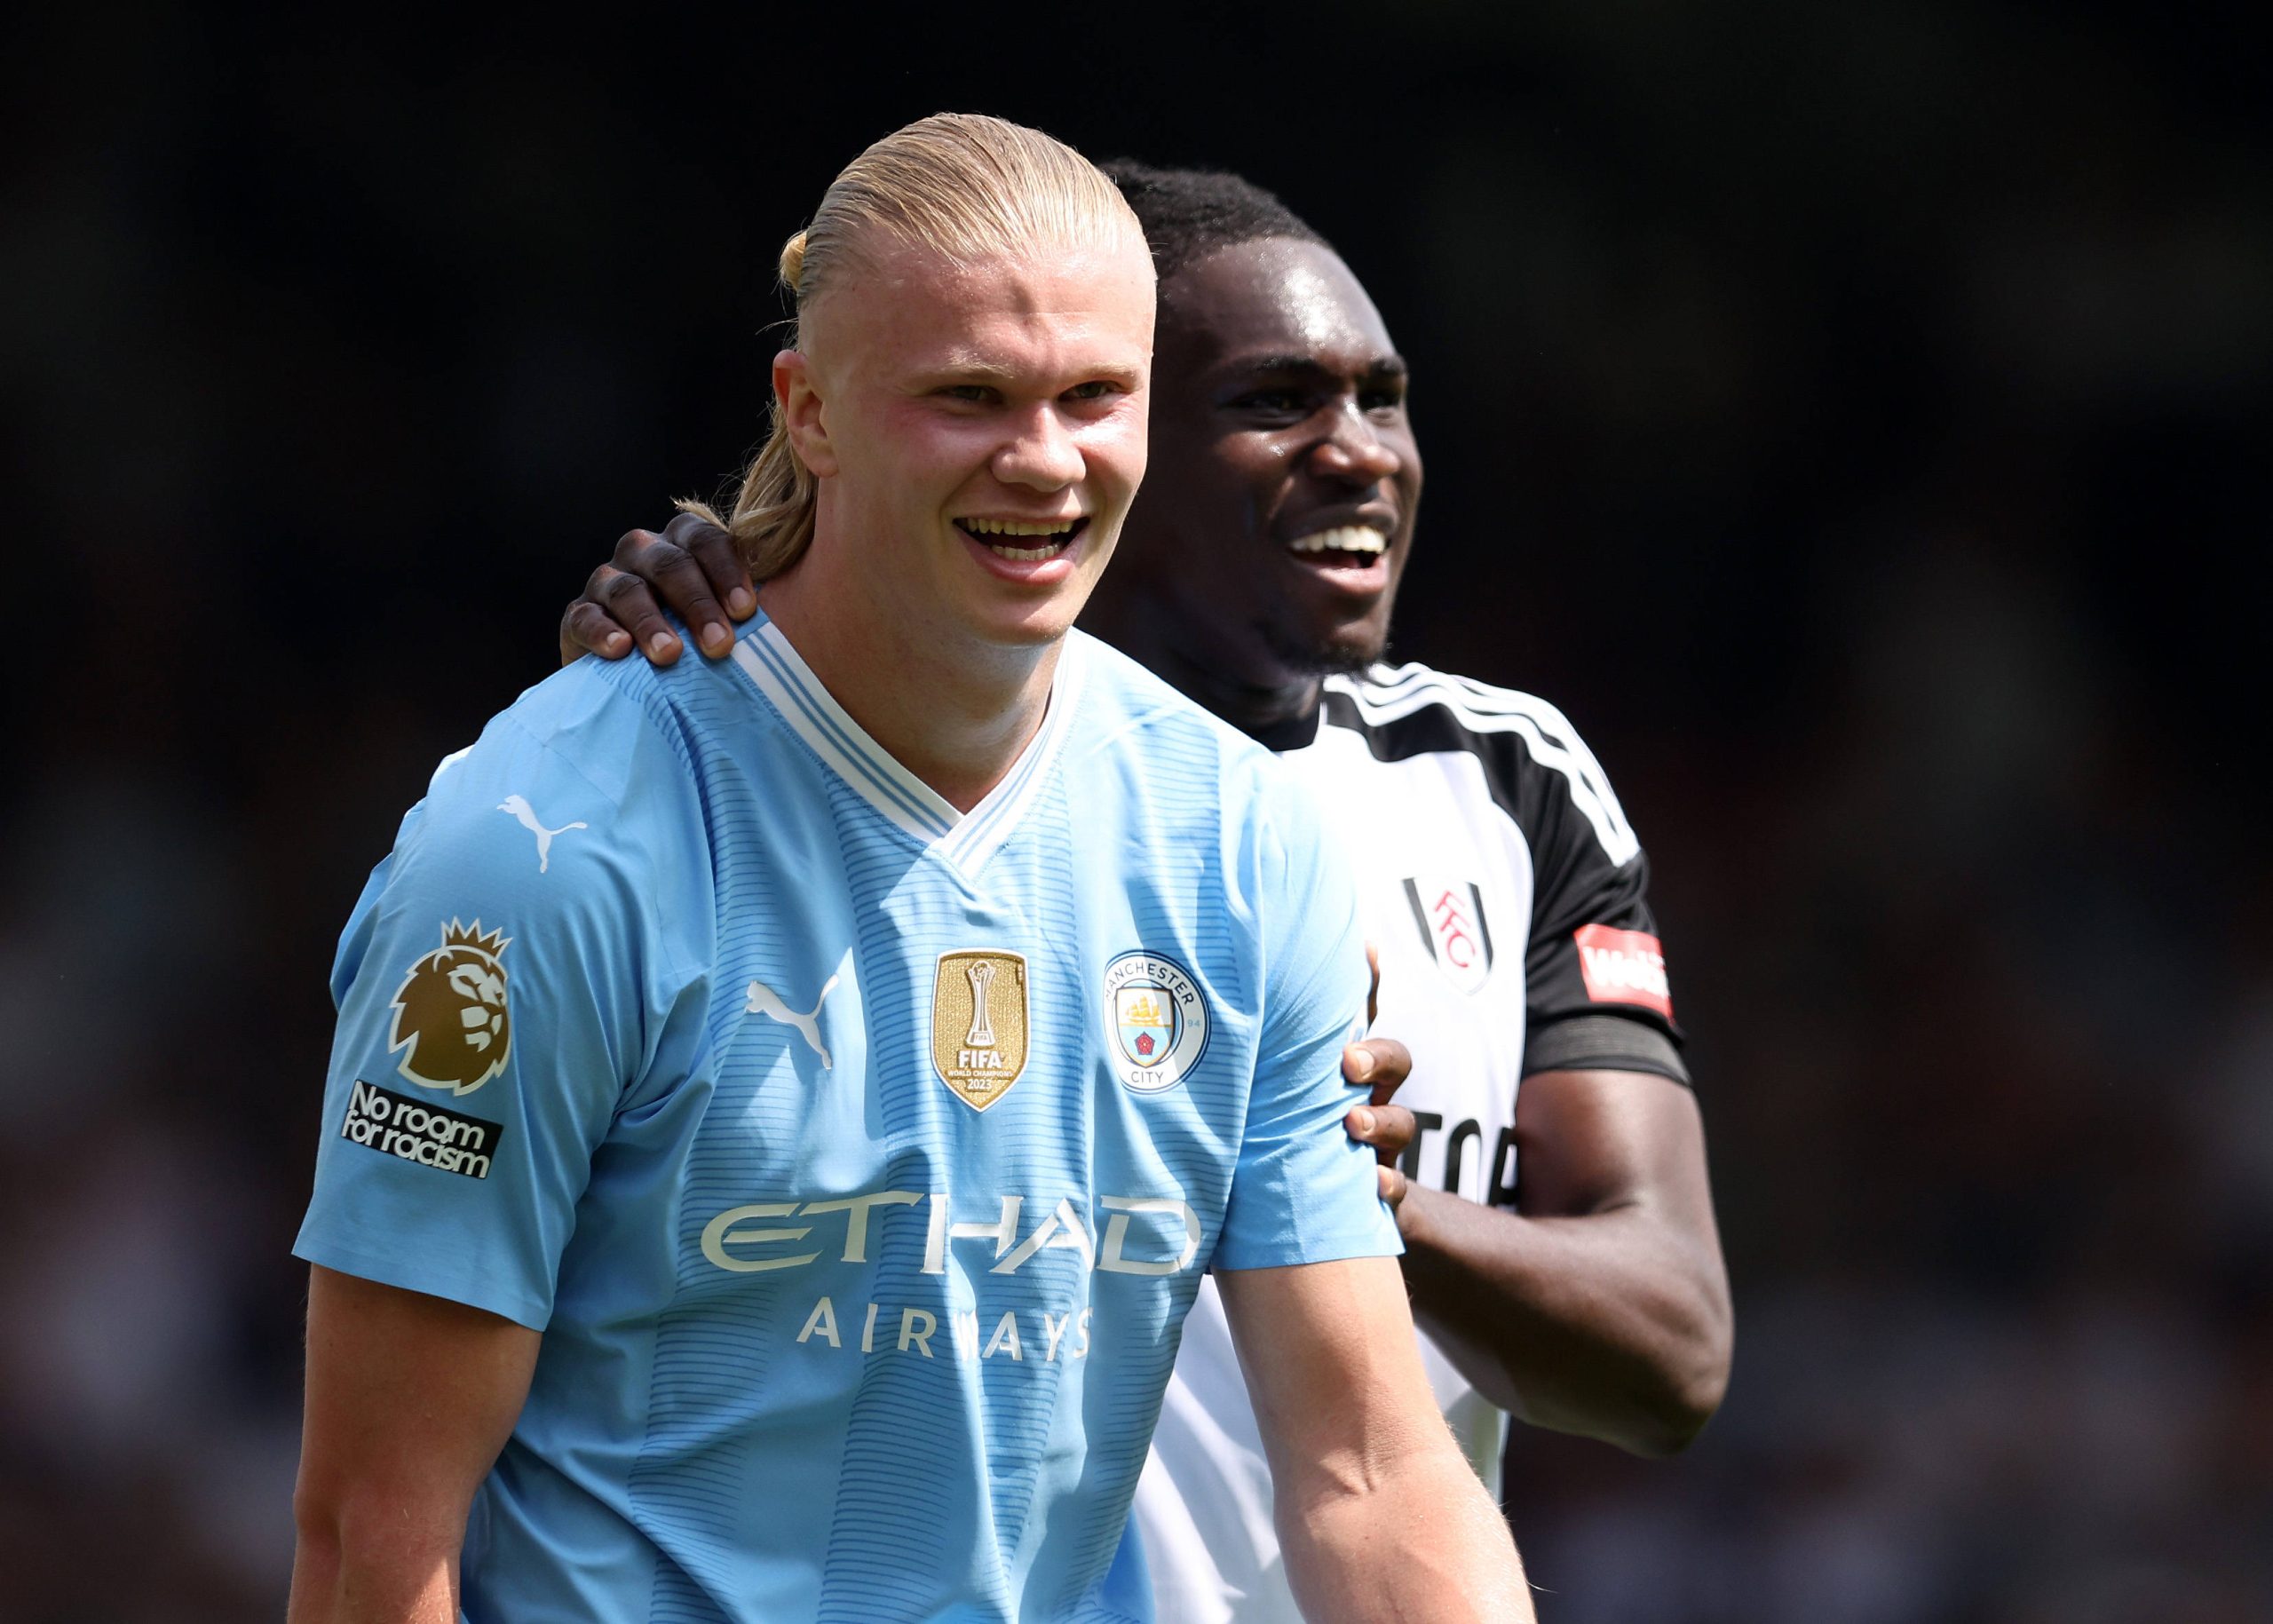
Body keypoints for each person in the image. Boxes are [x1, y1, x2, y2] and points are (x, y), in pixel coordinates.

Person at [288, 117, 1531, 1624]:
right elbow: (375, 1535)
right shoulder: (539, 854)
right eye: (970, 398)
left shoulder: (1246, 848)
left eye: (1096, 396)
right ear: (808, 413)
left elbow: (1371, 1469)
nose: (1046, 459)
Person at [566, 162, 1732, 1623]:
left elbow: (1672, 1346)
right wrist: (717, 649)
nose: (1362, 451)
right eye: (1276, 402)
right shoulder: (849, 758)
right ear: (1110, 436)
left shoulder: (1503, 779)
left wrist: (1324, 1181)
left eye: (1384, 396)